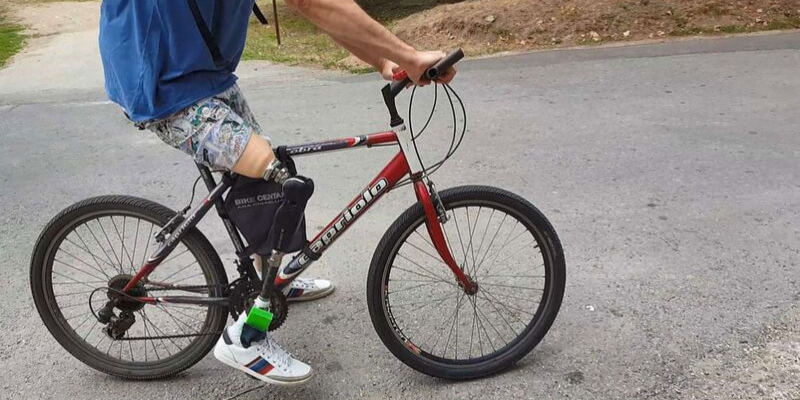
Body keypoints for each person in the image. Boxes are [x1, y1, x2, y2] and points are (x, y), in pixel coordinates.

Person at [99, 0, 456, 386]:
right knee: (276, 175)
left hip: (205, 77)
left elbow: (323, 8)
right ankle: (246, 336)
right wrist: (407, 54)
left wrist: (386, 63)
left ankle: (275, 274)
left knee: (264, 179)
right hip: (164, 87)